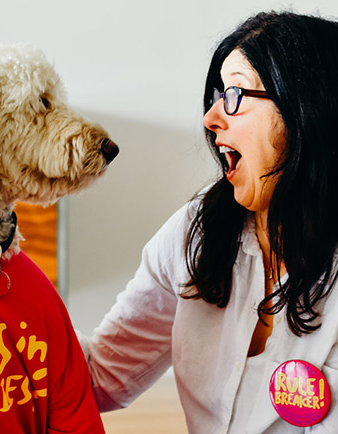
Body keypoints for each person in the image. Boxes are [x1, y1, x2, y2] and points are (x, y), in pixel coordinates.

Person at [81, 11, 338, 433]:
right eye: (218, 95)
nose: (211, 118)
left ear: (308, 107)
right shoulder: (195, 232)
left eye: (236, 94)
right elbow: (101, 377)